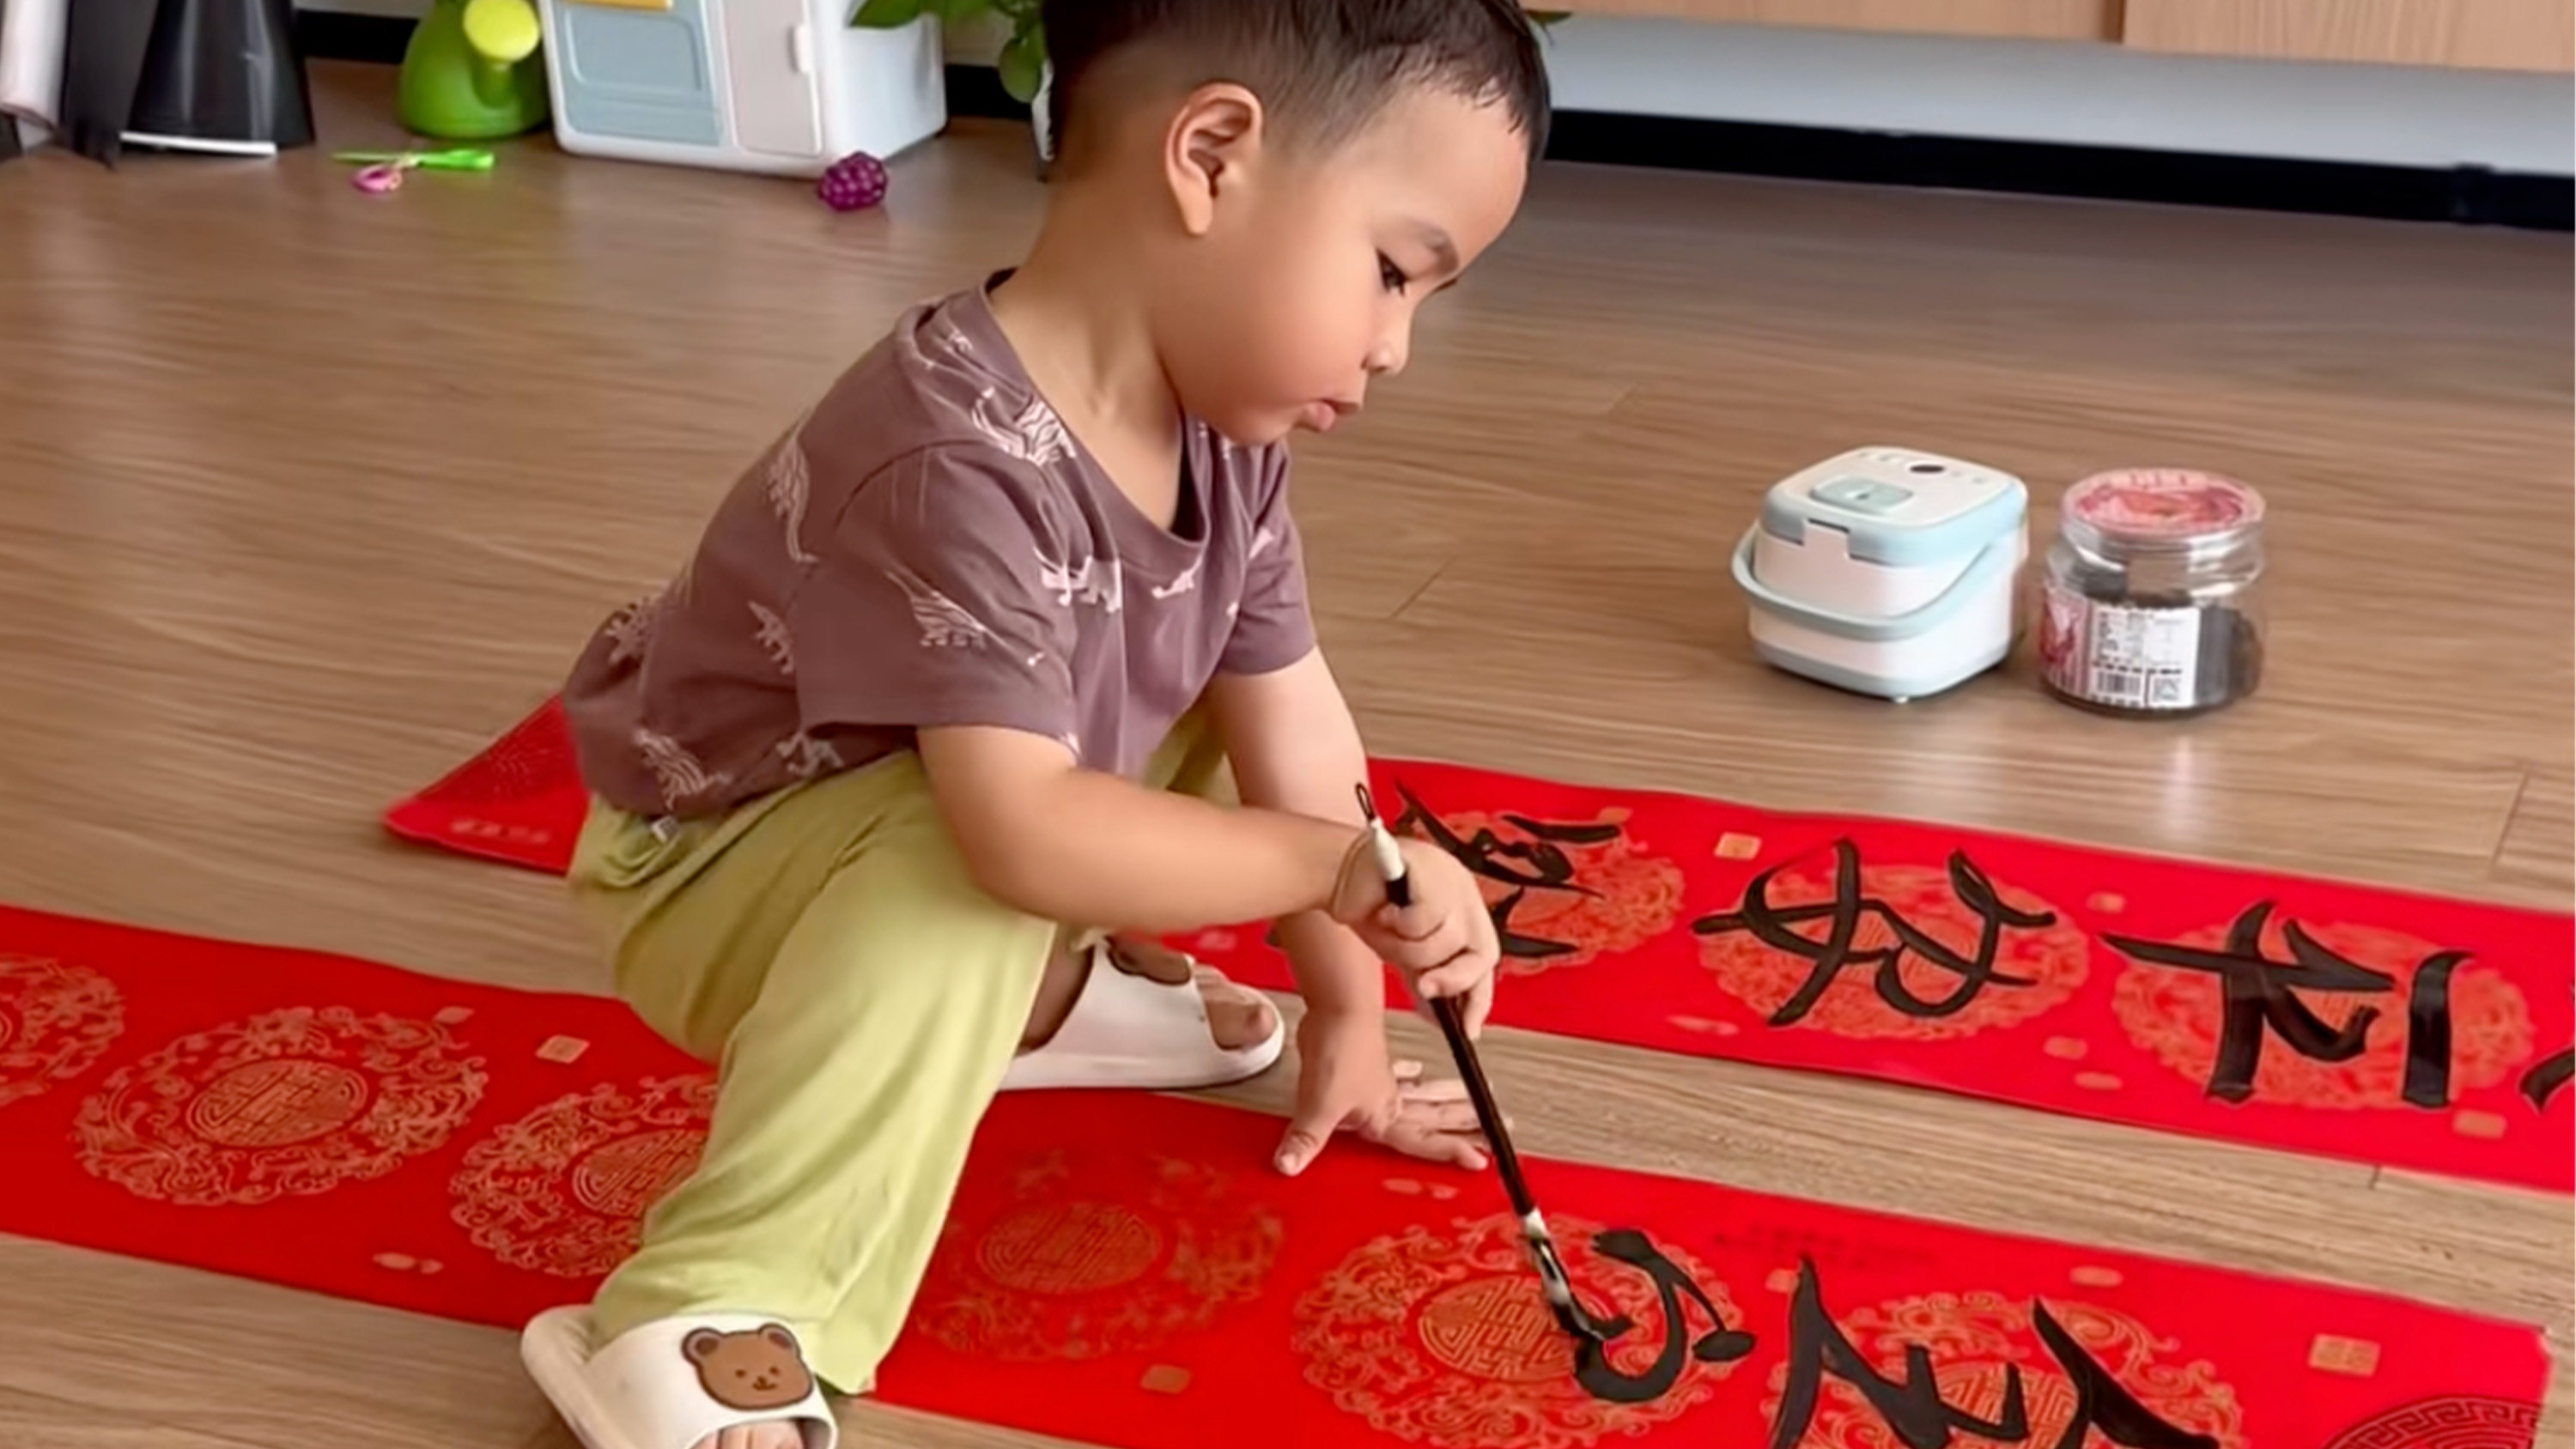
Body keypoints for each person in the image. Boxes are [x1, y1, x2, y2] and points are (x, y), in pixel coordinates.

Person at [519, 2, 1550, 1446]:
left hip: (932, 797)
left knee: (1172, 678)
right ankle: (713, 1301)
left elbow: (1298, 738)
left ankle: (1047, 996)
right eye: (1390, 272)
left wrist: (1348, 1015)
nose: (1394, 347)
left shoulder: (1220, 435)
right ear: (1209, 155)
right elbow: (1022, 834)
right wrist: (1331, 874)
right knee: (987, 854)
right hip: (705, 869)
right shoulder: (948, 456)